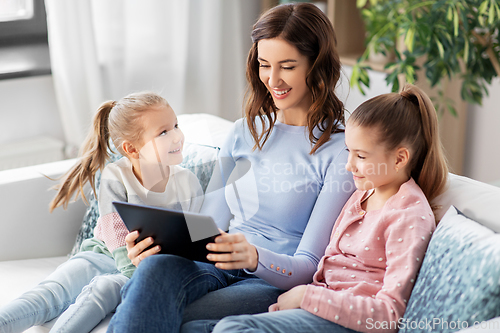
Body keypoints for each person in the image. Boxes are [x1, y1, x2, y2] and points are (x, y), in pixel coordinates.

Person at [107, 3, 355, 333]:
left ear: (317, 65)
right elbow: (205, 228)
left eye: (288, 66)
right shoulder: (244, 131)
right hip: (216, 264)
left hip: (271, 280)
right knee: (153, 273)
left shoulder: (341, 148)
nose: (273, 79)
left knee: (167, 310)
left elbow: (308, 267)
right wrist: (155, 248)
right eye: (264, 65)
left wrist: (253, 257)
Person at [210, 83, 449, 333]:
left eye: (361, 156)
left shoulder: (408, 215)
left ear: (400, 158)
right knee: (197, 327)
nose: (349, 166)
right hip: (319, 308)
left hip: (347, 322)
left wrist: (306, 297)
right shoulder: (361, 195)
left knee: (231, 328)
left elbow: (388, 315)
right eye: (349, 152)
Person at [0, 92, 203, 333]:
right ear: (132, 149)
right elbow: (114, 230)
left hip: (147, 269)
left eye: (176, 126)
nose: (177, 136)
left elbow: (190, 237)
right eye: (163, 132)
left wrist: (146, 276)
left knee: (101, 293)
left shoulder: (187, 182)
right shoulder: (117, 175)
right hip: (103, 255)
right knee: (47, 296)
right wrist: (134, 272)